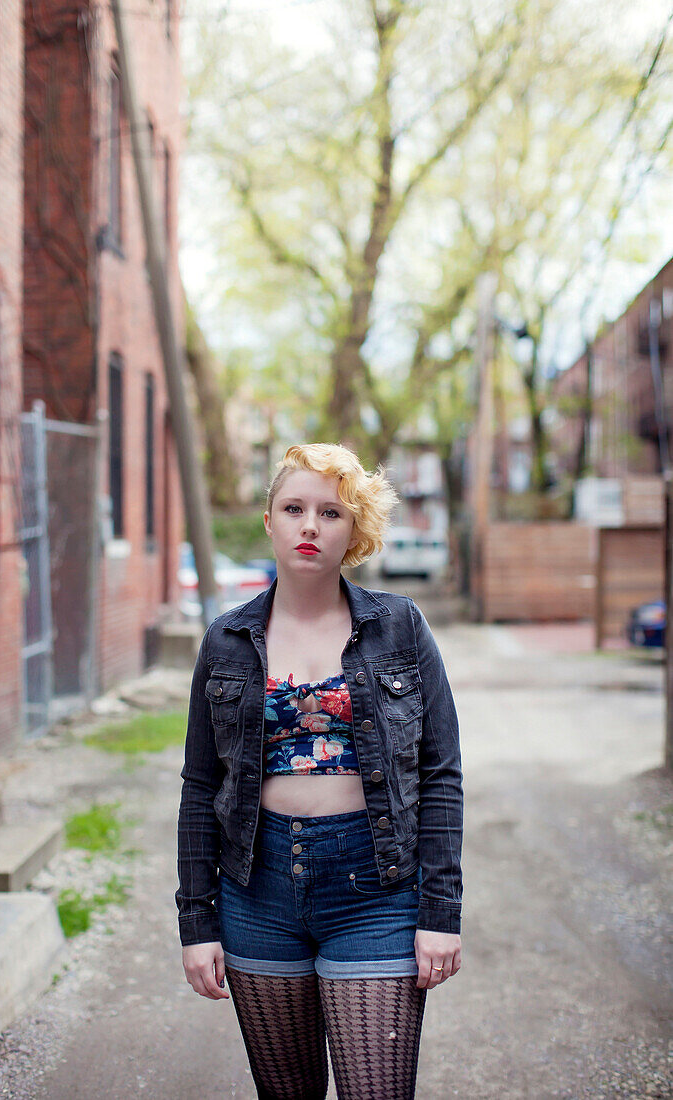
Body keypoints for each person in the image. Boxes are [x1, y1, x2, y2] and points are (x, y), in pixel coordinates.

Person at [176, 442, 463, 1100]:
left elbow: (440, 772)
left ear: (353, 528)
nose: (310, 525)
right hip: (257, 892)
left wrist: (440, 911)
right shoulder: (226, 639)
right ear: (269, 522)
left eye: (331, 512)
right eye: (293, 508)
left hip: (377, 889)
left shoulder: (399, 627)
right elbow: (200, 789)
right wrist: (198, 923)